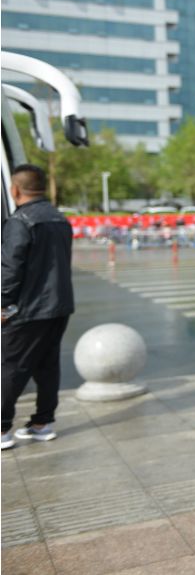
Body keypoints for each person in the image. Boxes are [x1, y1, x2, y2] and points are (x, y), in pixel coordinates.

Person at [2, 164, 75, 450]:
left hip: (28, 308)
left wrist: (3, 304)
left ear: (15, 189)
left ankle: (2, 428)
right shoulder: (60, 218)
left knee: (11, 367)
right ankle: (42, 423)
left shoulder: (20, 221)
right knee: (47, 366)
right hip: (60, 305)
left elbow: (10, 268)